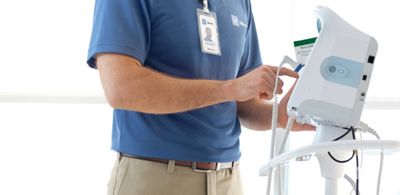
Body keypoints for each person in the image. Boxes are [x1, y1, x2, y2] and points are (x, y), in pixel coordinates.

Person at [87, 0, 313, 195]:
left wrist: (283, 116)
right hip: (154, 178)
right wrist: (231, 88)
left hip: (228, 180)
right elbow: (122, 88)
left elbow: (243, 103)